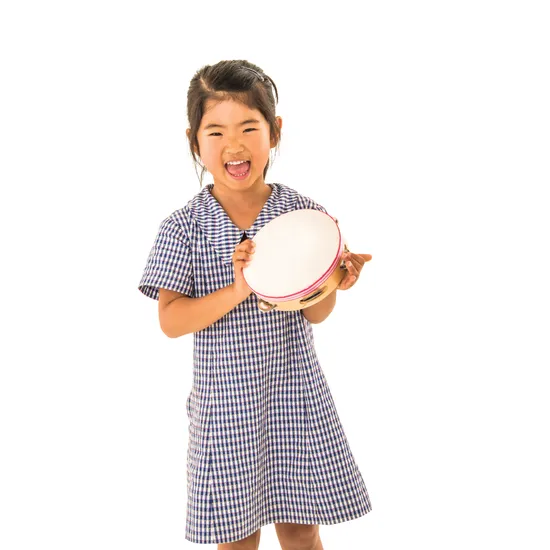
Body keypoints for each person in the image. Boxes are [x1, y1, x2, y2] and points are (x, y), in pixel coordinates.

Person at [138, 60, 373, 550]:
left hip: (295, 398)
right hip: (226, 410)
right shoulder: (184, 226)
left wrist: (334, 282)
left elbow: (314, 313)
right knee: (236, 539)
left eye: (249, 127)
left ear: (275, 131)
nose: (235, 145)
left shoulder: (301, 214)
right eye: (216, 132)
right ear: (194, 141)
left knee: (302, 531)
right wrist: (239, 290)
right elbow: (171, 321)